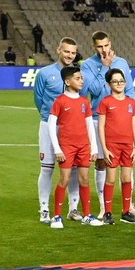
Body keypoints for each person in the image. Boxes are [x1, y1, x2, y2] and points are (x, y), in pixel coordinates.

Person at [81, 31, 135, 217]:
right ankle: (103, 207)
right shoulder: (88, 65)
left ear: (110, 43)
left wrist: (129, 112)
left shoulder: (121, 62)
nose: (104, 50)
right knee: (101, 161)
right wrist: (105, 68)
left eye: (106, 45)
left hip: (121, 119)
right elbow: (96, 90)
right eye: (99, 46)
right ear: (93, 47)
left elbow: (129, 90)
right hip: (100, 117)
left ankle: (128, 207)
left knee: (127, 162)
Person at [47, 65, 103, 228]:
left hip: (83, 146)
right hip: (66, 146)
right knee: (64, 179)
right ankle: (56, 216)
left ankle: (87, 215)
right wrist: (57, 148)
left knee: (84, 179)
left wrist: (93, 148)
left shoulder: (84, 101)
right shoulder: (60, 101)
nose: (81, 81)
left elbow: (89, 125)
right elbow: (51, 125)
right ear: (67, 81)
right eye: (77, 78)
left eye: (81, 78)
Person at [34, 38, 81, 223]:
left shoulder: (78, 74)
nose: (70, 55)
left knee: (74, 169)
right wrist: (49, 119)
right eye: (66, 51)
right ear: (58, 50)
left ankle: (73, 208)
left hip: (71, 128)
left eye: (73, 52)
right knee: (47, 168)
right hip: (48, 125)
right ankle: (44, 209)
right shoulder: (44, 73)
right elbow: (39, 99)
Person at [96, 69, 135, 224]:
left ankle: (126, 211)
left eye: (121, 81)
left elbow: (134, 125)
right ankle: (107, 212)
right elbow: (100, 127)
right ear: (109, 85)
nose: (119, 84)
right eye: (115, 81)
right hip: (112, 146)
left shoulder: (131, 103)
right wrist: (104, 148)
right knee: (111, 179)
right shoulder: (105, 102)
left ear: (125, 82)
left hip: (128, 146)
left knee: (127, 178)